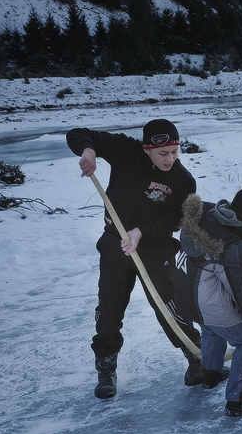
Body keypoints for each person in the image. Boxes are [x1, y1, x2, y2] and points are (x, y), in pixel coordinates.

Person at [67, 119, 203, 399]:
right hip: (116, 244)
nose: (170, 159)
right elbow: (78, 134)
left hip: (155, 247)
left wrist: (142, 232)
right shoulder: (124, 150)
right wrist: (89, 152)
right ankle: (106, 369)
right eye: (163, 153)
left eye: (175, 152)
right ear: (146, 149)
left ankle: (197, 356)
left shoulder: (183, 180)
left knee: (168, 304)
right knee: (110, 305)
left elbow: (175, 220)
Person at [178, 187, 242, 417]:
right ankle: (236, 400)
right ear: (238, 219)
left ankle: (210, 374)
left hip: (186, 294)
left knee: (210, 330)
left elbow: (232, 259)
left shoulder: (211, 217)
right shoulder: (232, 245)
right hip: (207, 301)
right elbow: (241, 286)